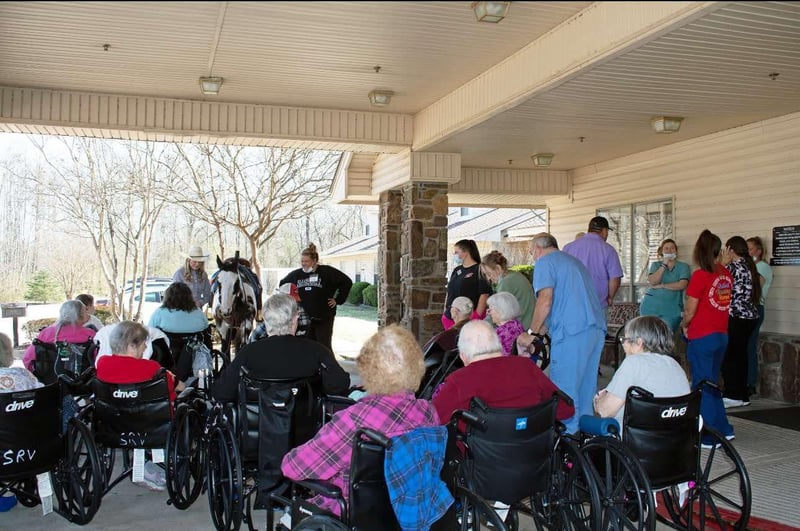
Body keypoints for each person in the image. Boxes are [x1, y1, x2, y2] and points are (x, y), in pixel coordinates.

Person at [281, 324, 439, 517]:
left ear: (369, 369)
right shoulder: (428, 412)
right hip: (412, 513)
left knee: (289, 515)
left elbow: (293, 467)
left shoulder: (356, 419)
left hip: (354, 514)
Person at [517, 233, 606, 433]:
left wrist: (531, 333)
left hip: (571, 332)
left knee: (565, 392)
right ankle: (585, 439)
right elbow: (562, 305)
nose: (533, 257)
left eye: (531, 253)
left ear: (537, 250)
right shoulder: (575, 263)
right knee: (586, 389)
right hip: (595, 330)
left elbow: (545, 301)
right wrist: (539, 333)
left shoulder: (545, 262)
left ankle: (567, 440)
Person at [212, 293, 350, 403]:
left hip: (259, 427)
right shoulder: (317, 350)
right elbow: (340, 386)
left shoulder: (249, 352)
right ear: (295, 320)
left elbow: (221, 393)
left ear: (266, 322)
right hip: (307, 425)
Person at [95, 321, 184, 491]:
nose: (145, 348)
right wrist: (177, 382)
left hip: (113, 425)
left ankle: (144, 466)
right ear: (132, 346)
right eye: (143, 343)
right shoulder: (151, 367)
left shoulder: (103, 364)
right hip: (152, 426)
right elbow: (172, 392)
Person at [432, 320, 574, 424]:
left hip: (478, 455)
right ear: (498, 345)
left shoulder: (458, 380)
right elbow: (566, 409)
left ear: (463, 356)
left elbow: (432, 421)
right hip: (532, 453)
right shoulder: (527, 367)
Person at [680, 229, 735, 445]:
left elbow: (690, 310)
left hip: (702, 336)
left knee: (702, 384)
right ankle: (723, 428)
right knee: (712, 382)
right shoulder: (725, 274)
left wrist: (684, 325)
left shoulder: (700, 275)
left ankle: (710, 434)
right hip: (721, 334)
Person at [594, 316, 691, 427]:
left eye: (625, 340)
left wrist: (598, 400)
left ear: (639, 343)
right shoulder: (675, 365)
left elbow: (605, 411)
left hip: (635, 436)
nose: (623, 344)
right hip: (674, 435)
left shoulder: (633, 363)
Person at [279, 243, 352, 353]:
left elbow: (346, 282)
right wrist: (290, 302)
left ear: (314, 261)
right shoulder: (296, 275)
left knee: (324, 347)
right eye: (302, 261)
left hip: (324, 318)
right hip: (304, 319)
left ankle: (328, 364)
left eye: (306, 261)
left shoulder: (327, 272)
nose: (303, 264)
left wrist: (338, 300)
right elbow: (283, 285)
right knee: (307, 347)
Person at [720, 236, 761, 409]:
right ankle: (743, 394)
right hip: (749, 316)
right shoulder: (750, 266)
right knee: (741, 356)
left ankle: (733, 394)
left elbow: (719, 284)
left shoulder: (732, 267)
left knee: (730, 357)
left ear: (731, 249)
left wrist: (722, 264)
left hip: (735, 315)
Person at [563, 216, 624, 315]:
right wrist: (610, 297)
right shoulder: (608, 250)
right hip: (598, 304)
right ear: (604, 231)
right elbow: (615, 278)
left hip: (572, 303)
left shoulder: (568, 248)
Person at [23, 300, 96, 371]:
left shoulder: (46, 333)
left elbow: (27, 359)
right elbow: (97, 360)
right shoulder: (90, 334)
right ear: (81, 315)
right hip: (83, 377)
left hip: (48, 376)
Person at [639, 239, 691, 332]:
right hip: (650, 307)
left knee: (667, 334)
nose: (669, 250)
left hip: (672, 309)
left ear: (676, 251)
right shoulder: (656, 265)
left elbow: (682, 284)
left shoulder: (683, 266)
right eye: (666, 248)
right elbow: (653, 282)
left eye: (672, 248)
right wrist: (664, 265)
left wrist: (662, 285)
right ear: (661, 252)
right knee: (649, 335)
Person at [442, 239, 492, 330]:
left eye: (456, 252)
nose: (454, 255)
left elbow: (484, 294)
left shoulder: (479, 269)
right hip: (450, 317)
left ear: (466, 252)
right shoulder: (457, 270)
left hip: (467, 318)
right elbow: (449, 291)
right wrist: (445, 311)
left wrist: (477, 315)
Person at [480, 250, 535, 330]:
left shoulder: (506, 282)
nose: (488, 278)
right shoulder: (514, 275)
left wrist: (481, 326)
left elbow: (496, 311)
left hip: (519, 327)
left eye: (489, 273)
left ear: (498, 268)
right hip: (526, 323)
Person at [746, 236, 773, 396]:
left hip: (755, 307)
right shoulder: (748, 267)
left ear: (758, 251)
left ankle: (750, 382)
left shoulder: (762, 267)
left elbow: (755, 287)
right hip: (744, 309)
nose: (747, 252)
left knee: (749, 346)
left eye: (750, 249)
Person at [172, 245, 213, 309]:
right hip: (181, 309)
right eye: (194, 261)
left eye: (200, 262)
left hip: (197, 310)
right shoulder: (179, 274)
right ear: (188, 260)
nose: (197, 264)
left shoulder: (204, 275)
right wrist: (187, 304)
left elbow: (208, 294)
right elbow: (174, 295)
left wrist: (200, 302)